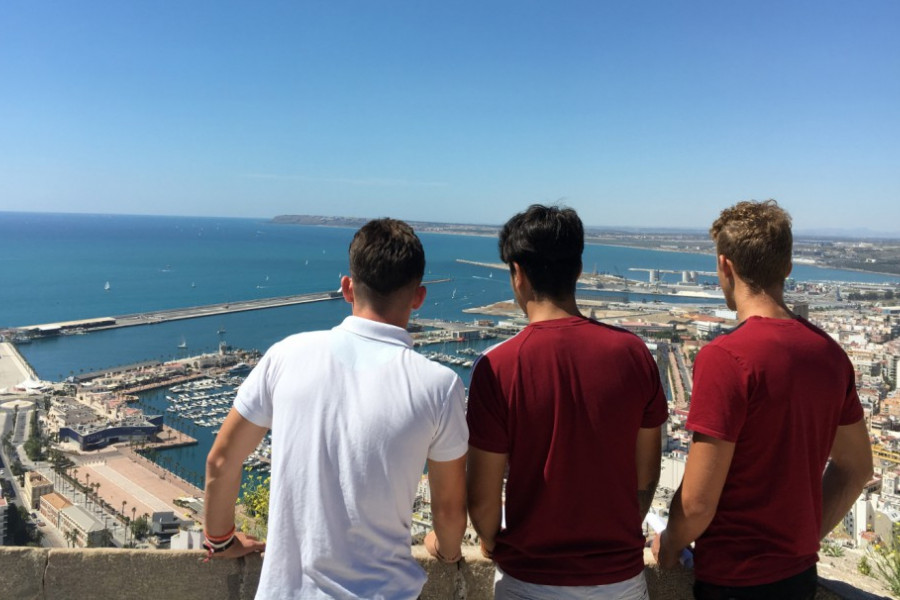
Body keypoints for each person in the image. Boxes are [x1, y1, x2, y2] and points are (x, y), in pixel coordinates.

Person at [203, 218, 468, 599]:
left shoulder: (285, 356)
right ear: (418, 297)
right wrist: (446, 549)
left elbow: (221, 461)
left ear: (347, 287)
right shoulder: (441, 386)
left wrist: (220, 541)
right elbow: (447, 510)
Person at [653, 200, 874, 599]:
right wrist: (798, 542)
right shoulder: (830, 355)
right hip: (799, 578)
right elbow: (857, 468)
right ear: (787, 267)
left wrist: (668, 546)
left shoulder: (725, 358)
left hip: (732, 582)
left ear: (725, 267)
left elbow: (698, 503)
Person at [466, 204, 667, 599]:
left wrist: (490, 538)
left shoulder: (497, 367)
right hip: (619, 582)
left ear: (517, 276)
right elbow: (646, 476)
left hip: (527, 582)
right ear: (578, 270)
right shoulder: (634, 354)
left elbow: (483, 497)